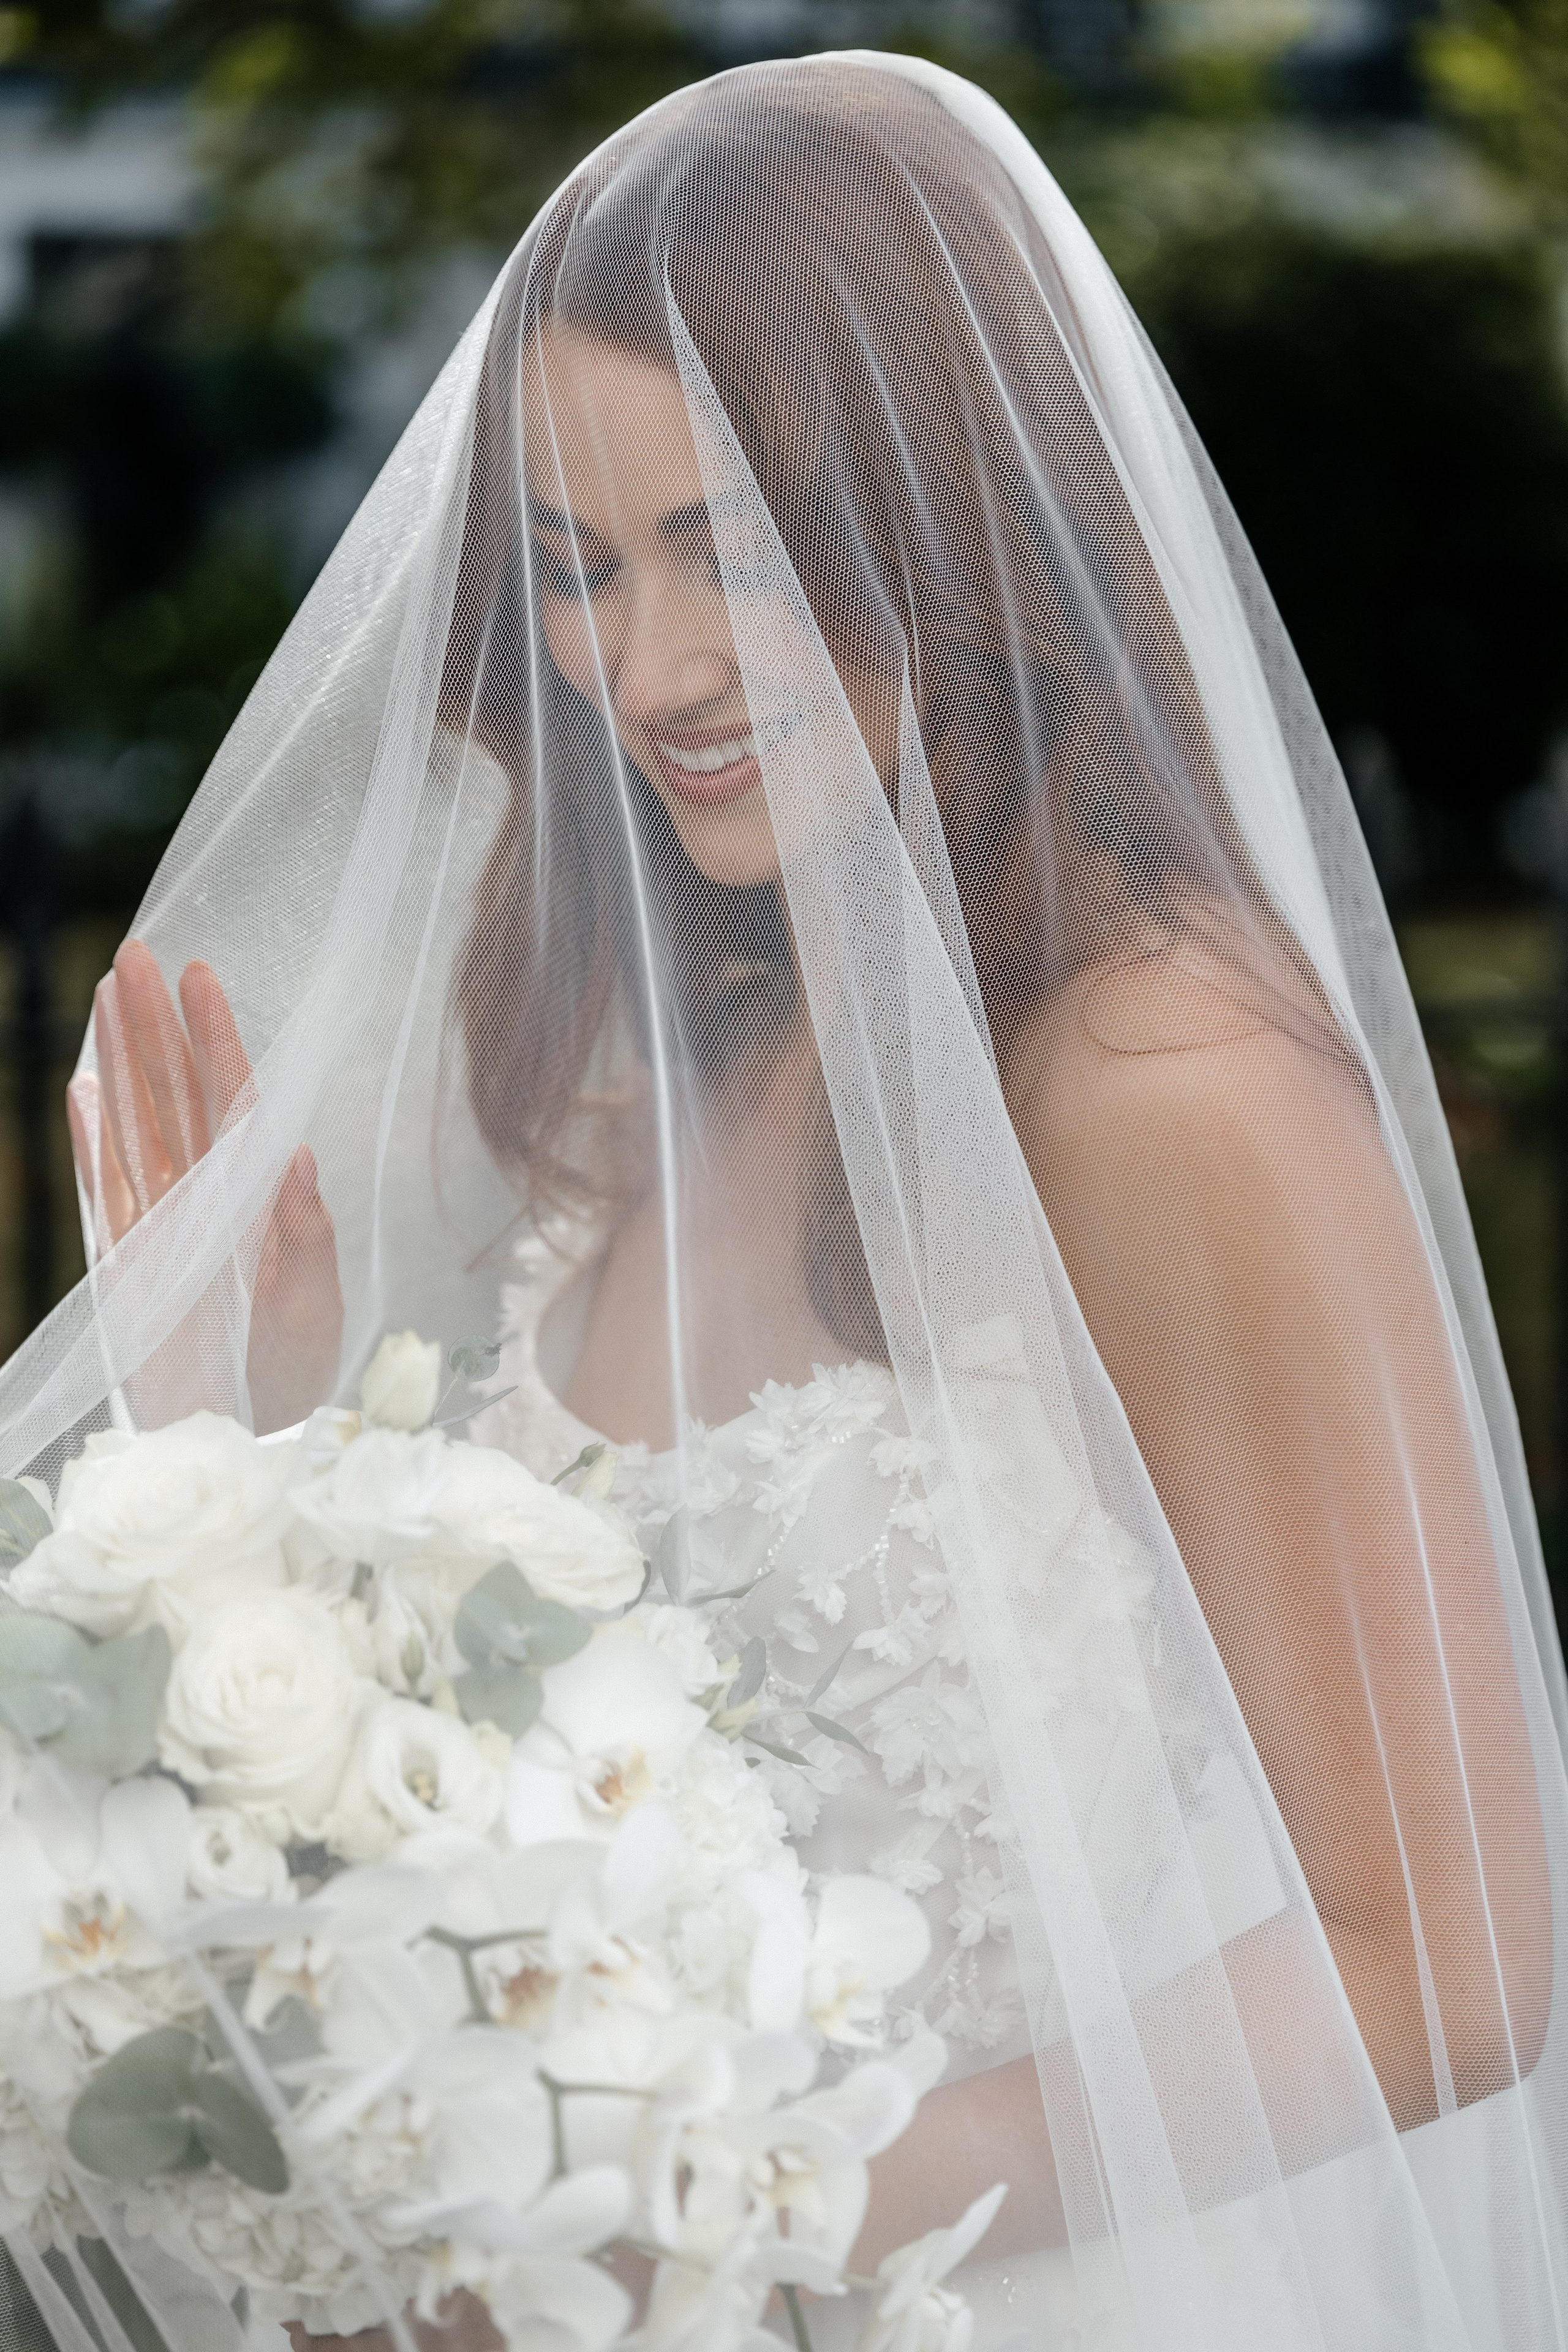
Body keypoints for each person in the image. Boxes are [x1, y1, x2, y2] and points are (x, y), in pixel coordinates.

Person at [31, 50, 1568, 2352]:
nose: (642, 671)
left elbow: (1448, 1947)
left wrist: (728, 2211)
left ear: (947, 509)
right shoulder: (701, 1026)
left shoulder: (1169, 1086)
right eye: (572, 570)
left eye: (730, 549)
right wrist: (243, 1443)